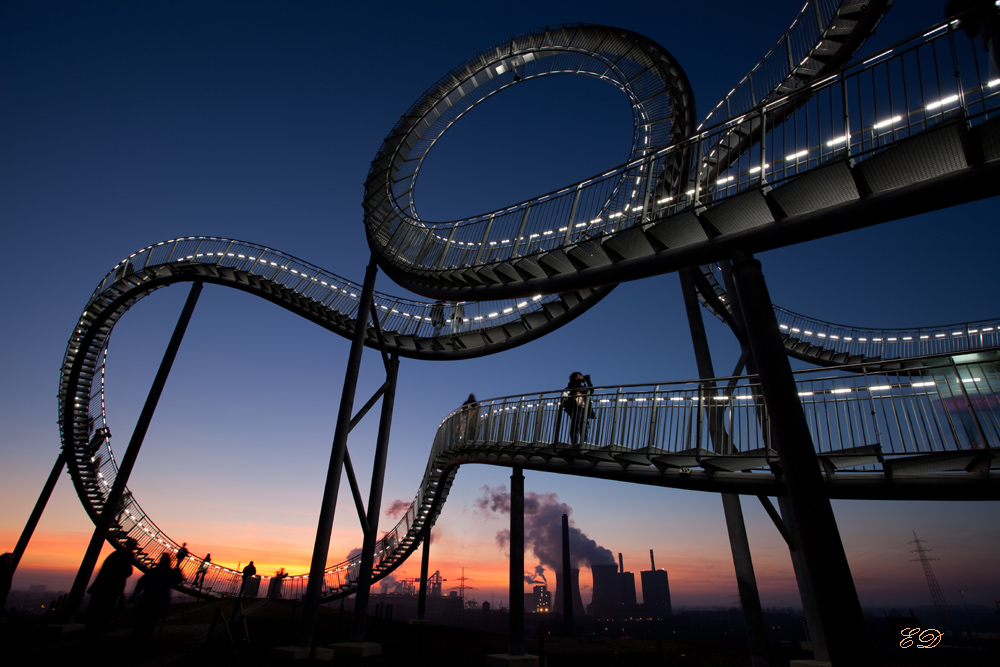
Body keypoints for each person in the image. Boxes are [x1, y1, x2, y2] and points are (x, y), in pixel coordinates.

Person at [83, 538, 137, 644]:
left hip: (104, 588)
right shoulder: (123, 557)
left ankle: (87, 642)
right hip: (110, 589)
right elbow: (125, 572)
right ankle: (89, 643)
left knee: (97, 616)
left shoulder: (116, 555)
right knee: (101, 617)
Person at [131, 552, 182, 645]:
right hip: (153, 600)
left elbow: (142, 582)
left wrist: (136, 593)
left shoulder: (157, 571)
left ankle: (138, 643)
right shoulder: (165, 572)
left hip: (153, 600)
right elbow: (177, 580)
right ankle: (140, 643)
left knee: (145, 623)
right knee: (146, 623)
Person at [561, 372, 594, 446]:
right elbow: (574, 386)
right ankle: (574, 441)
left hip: (583, 408)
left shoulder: (582, 386)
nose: (581, 377)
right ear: (575, 378)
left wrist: (588, 381)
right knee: (576, 424)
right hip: (575, 407)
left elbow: (591, 391)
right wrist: (580, 380)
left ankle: (585, 441)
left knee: (584, 426)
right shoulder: (571, 384)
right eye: (579, 376)